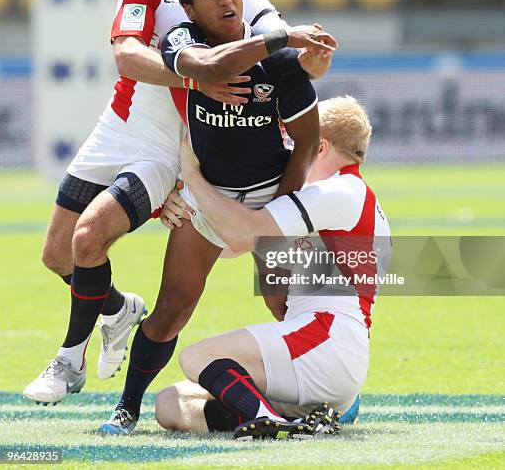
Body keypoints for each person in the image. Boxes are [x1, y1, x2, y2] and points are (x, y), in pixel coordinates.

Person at [24, 0, 331, 407]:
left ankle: (69, 360)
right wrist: (193, 79)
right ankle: (119, 310)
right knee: (57, 253)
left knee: (92, 238)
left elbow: (272, 43)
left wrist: (308, 61)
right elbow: (126, 56)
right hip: (119, 124)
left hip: (172, 145)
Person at [98, 0, 337, 435]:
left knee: (287, 303)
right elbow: (207, 67)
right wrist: (285, 37)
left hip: (272, 195)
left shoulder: (283, 65)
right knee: (173, 308)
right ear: (189, 10)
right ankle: (127, 407)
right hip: (208, 201)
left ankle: (314, 400)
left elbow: (307, 142)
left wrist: (280, 212)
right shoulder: (183, 42)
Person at [155, 96, 391, 438]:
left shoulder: (338, 191)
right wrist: (183, 211)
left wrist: (192, 177)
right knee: (171, 402)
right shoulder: (341, 194)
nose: (290, 150)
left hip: (324, 338)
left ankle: (269, 419)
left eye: (298, 140)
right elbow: (229, 245)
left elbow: (243, 232)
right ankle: (302, 419)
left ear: (320, 146)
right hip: (324, 353)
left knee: (196, 357)